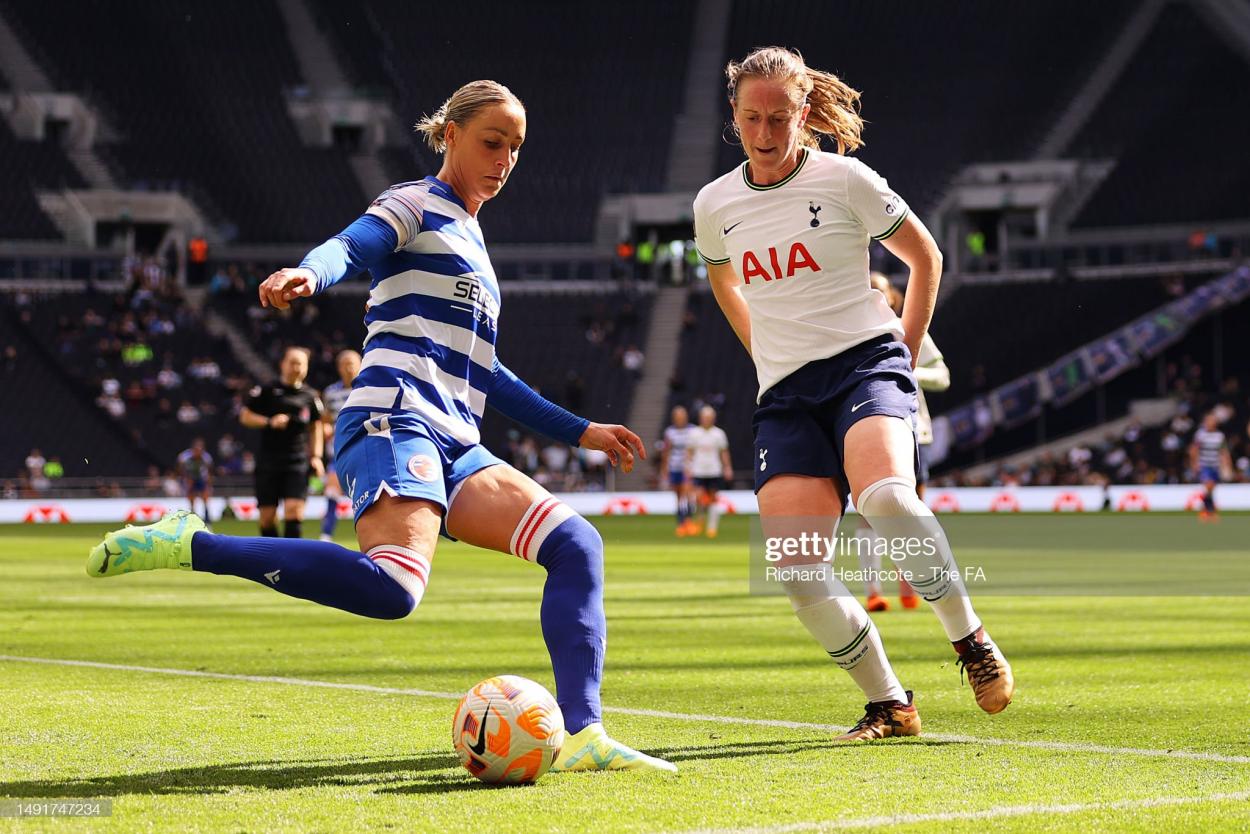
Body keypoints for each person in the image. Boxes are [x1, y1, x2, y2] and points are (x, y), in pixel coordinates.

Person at [87, 80, 674, 774]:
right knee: (394, 589)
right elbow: (353, 244)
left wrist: (583, 431)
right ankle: (196, 543)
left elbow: (484, 372)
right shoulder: (416, 201)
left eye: (516, 148)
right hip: (393, 413)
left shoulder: (473, 238)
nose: (505, 159)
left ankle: (585, 735)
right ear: (450, 134)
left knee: (576, 545)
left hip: (457, 437)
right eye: (492, 141)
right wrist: (310, 272)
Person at [693, 46, 1013, 741]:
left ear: (804, 112)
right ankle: (891, 704)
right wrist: (764, 352)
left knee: (888, 500)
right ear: (735, 115)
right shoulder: (714, 205)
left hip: (865, 366)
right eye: (752, 117)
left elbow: (926, 257)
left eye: (781, 116)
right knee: (796, 567)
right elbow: (724, 283)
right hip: (786, 394)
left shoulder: (846, 180)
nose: (767, 132)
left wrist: (902, 346)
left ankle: (971, 641)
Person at [857, 273, 950, 612]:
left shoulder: (910, 331)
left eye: (878, 291)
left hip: (913, 429)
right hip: (865, 426)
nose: (873, 296)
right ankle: (873, 591)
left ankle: (909, 583)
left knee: (912, 512)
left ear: (892, 297)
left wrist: (908, 370)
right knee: (868, 510)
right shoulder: (848, 332)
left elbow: (943, 376)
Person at [238, 346, 325, 538]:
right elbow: (245, 416)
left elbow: (316, 427)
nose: (296, 367)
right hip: (268, 461)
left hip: (297, 461)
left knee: (294, 510)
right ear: (282, 364)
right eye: (292, 362)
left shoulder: (310, 396)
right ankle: (273, 559)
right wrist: (269, 421)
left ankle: (292, 563)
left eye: (301, 363)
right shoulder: (267, 391)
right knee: (267, 518)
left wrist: (317, 456)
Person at [319, 350, 362, 541]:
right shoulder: (330, 393)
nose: (349, 367)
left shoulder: (369, 388)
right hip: (339, 450)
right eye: (345, 364)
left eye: (352, 363)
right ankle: (326, 534)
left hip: (363, 448)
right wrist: (326, 428)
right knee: (331, 491)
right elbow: (325, 419)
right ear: (338, 368)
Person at [685, 406, 732, 538]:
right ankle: (699, 523)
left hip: (714, 471)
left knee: (713, 499)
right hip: (698, 470)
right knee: (699, 498)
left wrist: (727, 467)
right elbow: (689, 452)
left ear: (713, 418)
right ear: (701, 418)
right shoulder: (694, 433)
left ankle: (712, 527)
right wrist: (688, 467)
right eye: (705, 417)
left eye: (709, 417)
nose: (707, 420)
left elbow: (724, 452)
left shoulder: (719, 434)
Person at [659, 405, 695, 536]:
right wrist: (664, 470)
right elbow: (666, 452)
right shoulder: (670, 432)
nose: (681, 419)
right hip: (674, 466)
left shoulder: (693, 430)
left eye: (683, 417)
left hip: (689, 467)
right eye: (678, 417)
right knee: (679, 496)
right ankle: (681, 523)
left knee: (689, 494)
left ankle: (689, 521)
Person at [1190, 412, 1230, 521]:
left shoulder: (1219, 436)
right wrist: (1194, 463)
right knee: (1209, 485)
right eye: (1208, 421)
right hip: (1204, 464)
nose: (1209, 423)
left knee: (1211, 489)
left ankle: (1206, 510)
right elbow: (1194, 450)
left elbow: (1223, 451)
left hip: (1215, 465)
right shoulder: (1200, 435)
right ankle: (1210, 509)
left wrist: (1227, 465)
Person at [177, 437, 214, 523]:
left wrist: (209, 480)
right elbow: (180, 469)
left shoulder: (206, 456)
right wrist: (185, 479)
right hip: (190, 479)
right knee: (191, 498)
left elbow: (209, 469)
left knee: (205, 497)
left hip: (201, 479)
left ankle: (207, 517)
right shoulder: (185, 456)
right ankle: (193, 516)